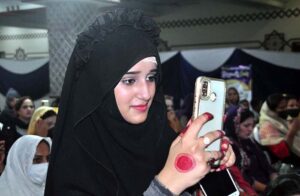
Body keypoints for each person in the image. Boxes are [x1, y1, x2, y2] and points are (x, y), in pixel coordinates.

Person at [45, 8, 235, 196]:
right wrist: (167, 184)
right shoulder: (76, 163)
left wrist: (208, 168)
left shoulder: (160, 140)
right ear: (99, 85)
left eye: (151, 77)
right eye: (129, 80)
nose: (146, 93)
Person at [225, 106, 277, 194]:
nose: (250, 129)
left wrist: (277, 184)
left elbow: (267, 166)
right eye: (246, 125)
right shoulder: (229, 147)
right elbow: (242, 178)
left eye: (252, 125)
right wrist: (270, 190)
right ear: (234, 125)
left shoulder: (248, 142)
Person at [258, 93, 300, 166]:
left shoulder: (283, 120)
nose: (285, 110)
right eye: (281, 108)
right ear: (271, 111)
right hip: (288, 165)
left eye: (286, 107)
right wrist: (292, 132)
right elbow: (282, 153)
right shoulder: (266, 127)